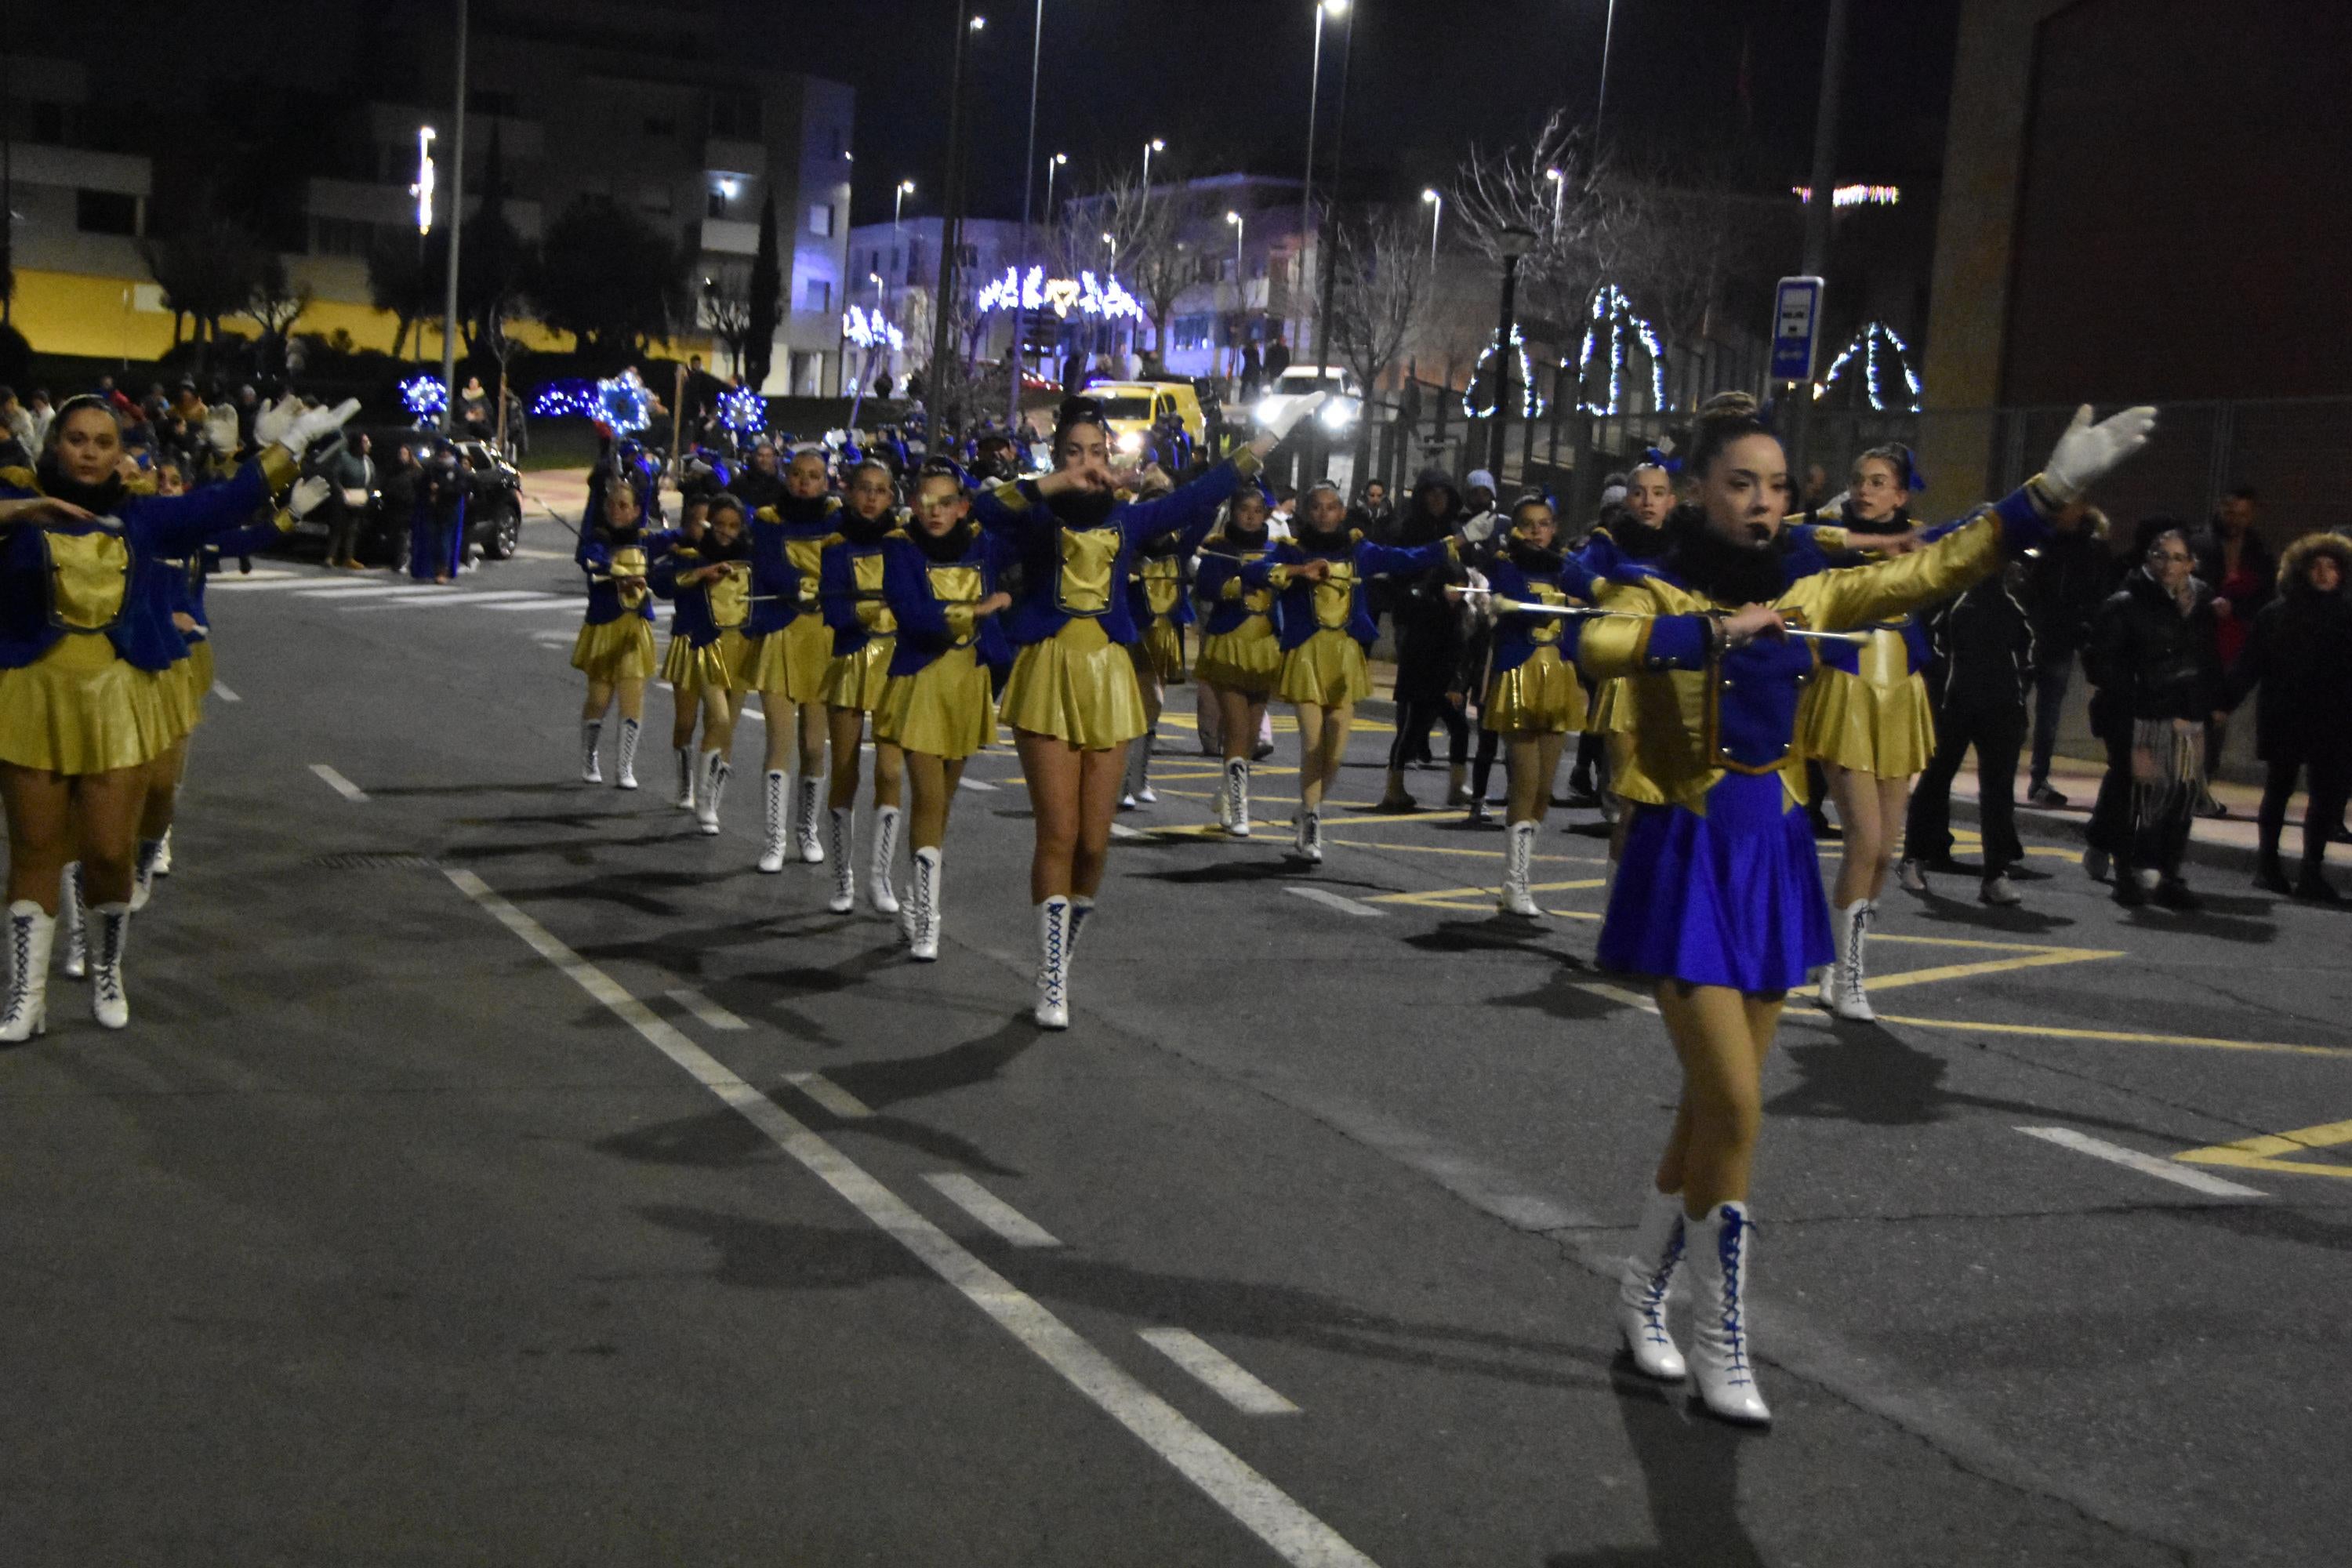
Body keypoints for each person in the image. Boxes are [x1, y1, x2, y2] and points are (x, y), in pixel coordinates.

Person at [1589, 393, 2153, 1425]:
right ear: (1699, 492)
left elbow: (1933, 567)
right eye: (1739, 484)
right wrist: (1704, 631)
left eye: (1774, 486)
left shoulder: (1812, 590)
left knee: (1711, 1111)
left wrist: (2051, 492)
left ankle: (1639, 1300)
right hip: (1685, 855)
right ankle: (1722, 1334)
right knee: (1740, 1105)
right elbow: (1601, 650)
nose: (1761, 503)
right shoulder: (1650, 586)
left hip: (1774, 857)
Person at [0, 392, 354, 1038]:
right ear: (57, 446)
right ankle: (25, 997)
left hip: (117, 696)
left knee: (108, 852)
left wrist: (293, 443)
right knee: (35, 852)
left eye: (103, 442)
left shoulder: (145, 519)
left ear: (119, 455)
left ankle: (107, 967)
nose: (88, 451)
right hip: (33, 693)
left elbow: (223, 506)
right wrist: (27, 507)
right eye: (76, 439)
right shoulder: (18, 507)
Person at [970, 392, 1324, 1028]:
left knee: (1096, 842)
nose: (1087, 463)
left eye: (1096, 453)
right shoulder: (1036, 514)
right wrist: (1055, 482)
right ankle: (1051, 975)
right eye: (1073, 452)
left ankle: (1064, 952)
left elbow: (1204, 490)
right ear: (1057, 457)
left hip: (1109, 673)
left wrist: (1273, 431)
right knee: (1059, 831)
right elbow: (977, 509)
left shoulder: (1131, 520)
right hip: (1048, 669)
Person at [1795, 444, 1937, 1021]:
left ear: (1901, 494)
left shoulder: (1922, 539)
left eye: (1878, 482)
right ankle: (1846, 976)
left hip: (1901, 689)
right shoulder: (1830, 536)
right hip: (1848, 688)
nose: (1865, 490)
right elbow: (1794, 544)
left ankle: (1842, 966)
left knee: (1886, 850)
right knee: (1866, 840)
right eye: (1858, 480)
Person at [1263, 482, 1461, 862]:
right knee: (1312, 745)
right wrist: (1295, 571)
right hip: (1307, 653)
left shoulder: (1358, 550)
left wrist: (1457, 540)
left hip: (1346, 655)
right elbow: (1263, 570)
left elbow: (1403, 558)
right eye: (1317, 507)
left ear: (1342, 512)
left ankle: (1308, 807)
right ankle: (1311, 823)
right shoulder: (1292, 549)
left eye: (1332, 507)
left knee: (1335, 751)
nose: (1324, 514)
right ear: (1307, 512)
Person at [876, 462, 1014, 957]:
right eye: (926, 502)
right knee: (930, 800)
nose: (935, 512)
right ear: (913, 504)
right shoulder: (899, 546)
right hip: (922, 682)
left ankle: (915, 895)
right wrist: (972, 611)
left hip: (969, 682)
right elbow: (910, 610)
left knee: (943, 806)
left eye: (946, 502)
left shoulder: (983, 546)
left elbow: (1018, 518)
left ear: (962, 506)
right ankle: (928, 920)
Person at [2082, 521, 2224, 908]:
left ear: (2192, 564)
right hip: (2137, 715)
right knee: (2136, 791)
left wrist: (2213, 702)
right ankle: (2126, 872)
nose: (2169, 565)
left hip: (2185, 715)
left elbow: (2208, 658)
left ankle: (2169, 875)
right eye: (2161, 555)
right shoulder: (2125, 603)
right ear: (2148, 558)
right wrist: (2140, 690)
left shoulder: (2201, 604)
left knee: (2180, 794)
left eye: (2179, 558)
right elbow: (2099, 665)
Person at [1471, 494, 1593, 914]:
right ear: (1516, 528)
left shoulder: (1565, 567)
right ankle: (1513, 882)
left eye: (1544, 523)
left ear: (1554, 527)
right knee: (1524, 784)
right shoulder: (1506, 565)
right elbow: (1524, 606)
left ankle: (1522, 878)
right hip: (1521, 676)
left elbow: (1595, 587)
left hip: (1559, 676)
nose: (1537, 531)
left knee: (1544, 789)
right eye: (1528, 524)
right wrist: (1568, 604)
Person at [1899, 560, 2035, 905]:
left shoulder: (2014, 598)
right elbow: (1926, 644)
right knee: (1935, 779)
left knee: (1998, 791)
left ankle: (1995, 874)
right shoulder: (1948, 596)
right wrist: (1940, 688)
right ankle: (1913, 858)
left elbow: (2029, 649)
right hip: (1954, 704)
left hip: (2001, 708)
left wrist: (2018, 698)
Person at [2224, 532, 2352, 900]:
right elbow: (2249, 663)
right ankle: (2268, 866)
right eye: (2317, 567)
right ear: (2302, 571)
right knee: (2279, 789)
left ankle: (2312, 870)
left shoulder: (2347, 614)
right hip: (2287, 713)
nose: (2326, 574)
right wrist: (2223, 702)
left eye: (2333, 567)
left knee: (2325, 797)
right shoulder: (2277, 614)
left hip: (2333, 718)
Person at [737, 447, 838, 871]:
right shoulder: (769, 518)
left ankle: (806, 830)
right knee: (779, 741)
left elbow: (848, 565)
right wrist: (799, 582)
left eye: (813, 476)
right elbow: (768, 565)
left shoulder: (837, 518)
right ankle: (774, 840)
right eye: (797, 474)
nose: (804, 483)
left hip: (824, 639)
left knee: (815, 746)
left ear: (826, 481)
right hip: (781, 633)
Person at [817, 461, 909, 914]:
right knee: (846, 770)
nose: (872, 498)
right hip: (853, 660)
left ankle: (880, 879)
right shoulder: (836, 547)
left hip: (896, 665)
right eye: (864, 490)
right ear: (850, 493)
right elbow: (833, 614)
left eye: (881, 490)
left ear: (892, 497)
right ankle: (842, 879)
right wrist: (866, 612)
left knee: (890, 771)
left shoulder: (905, 544)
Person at [1570, 458, 1677, 813]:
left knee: (1669, 796)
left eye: (1658, 493)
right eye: (1639, 493)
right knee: (1628, 802)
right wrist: (1601, 586)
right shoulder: (1607, 544)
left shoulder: (1684, 548)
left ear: (1671, 501)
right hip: (1624, 678)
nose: (1648, 501)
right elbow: (1571, 572)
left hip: (1674, 676)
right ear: (1627, 500)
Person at [652, 495, 753, 835]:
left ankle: (711, 801)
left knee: (725, 726)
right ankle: (688, 785)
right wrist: (699, 574)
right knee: (689, 721)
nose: (726, 532)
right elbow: (661, 580)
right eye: (719, 524)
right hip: (698, 645)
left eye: (734, 526)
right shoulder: (690, 557)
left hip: (739, 650)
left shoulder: (749, 560)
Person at [1194, 485, 1283, 833]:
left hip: (1265, 646)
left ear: (1266, 515)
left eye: (1257, 510)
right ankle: (1239, 807)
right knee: (1236, 727)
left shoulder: (1278, 551)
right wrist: (1237, 586)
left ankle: (1228, 792)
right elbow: (1205, 587)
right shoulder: (1219, 549)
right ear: (1233, 512)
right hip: (1230, 642)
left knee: (1249, 735)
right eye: (1244, 509)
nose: (1250, 515)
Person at [1380, 470, 1471, 810]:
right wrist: (1416, 596)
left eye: (1443, 493)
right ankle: (1399, 774)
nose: (1436, 499)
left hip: (1450, 625)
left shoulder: (1456, 533)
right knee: (1415, 709)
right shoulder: (1407, 529)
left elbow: (1467, 572)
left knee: (1455, 716)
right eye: (1430, 493)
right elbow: (1392, 574)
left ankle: (1453, 784)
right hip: (1417, 627)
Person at [2018, 502, 2111, 804]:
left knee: (2049, 715)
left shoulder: (2091, 549)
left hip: (2060, 640)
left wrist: (2086, 633)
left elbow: (2097, 595)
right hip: (2026, 638)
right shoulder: (2036, 540)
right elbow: (2022, 586)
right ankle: (2004, 772)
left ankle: (2039, 778)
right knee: (2012, 710)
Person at [2191, 486, 2276, 815]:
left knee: (2218, 717)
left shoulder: (2259, 550)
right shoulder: (2199, 542)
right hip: (2201, 640)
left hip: (2236, 643)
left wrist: (2237, 607)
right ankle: (2194, 785)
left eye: (2242, 514)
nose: (2236, 520)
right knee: (2201, 717)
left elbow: (2264, 595)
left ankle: (2203, 782)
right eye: (2230, 513)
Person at [572, 480, 660, 790]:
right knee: (598, 699)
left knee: (632, 698)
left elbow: (673, 552)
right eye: (611, 504)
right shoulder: (599, 538)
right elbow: (590, 559)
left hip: (635, 627)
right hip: (604, 626)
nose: (616, 511)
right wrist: (616, 572)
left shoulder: (645, 539)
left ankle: (625, 766)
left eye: (624, 505)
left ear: (637, 510)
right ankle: (589, 755)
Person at [1121, 519, 1192, 810]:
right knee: (1142, 702)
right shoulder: (1128, 550)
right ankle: (1123, 780)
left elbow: (1200, 521)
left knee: (1153, 708)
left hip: (1165, 634)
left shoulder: (1177, 553)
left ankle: (1138, 778)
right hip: (1135, 632)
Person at [318, 430, 376, 570]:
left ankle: (348, 557)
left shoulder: (367, 462)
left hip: (359, 498)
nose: (368, 445)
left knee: (352, 529)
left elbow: (372, 479)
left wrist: (367, 494)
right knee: (337, 527)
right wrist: (342, 491)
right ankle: (330, 556)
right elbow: (334, 476)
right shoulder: (344, 457)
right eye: (365, 442)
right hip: (343, 498)